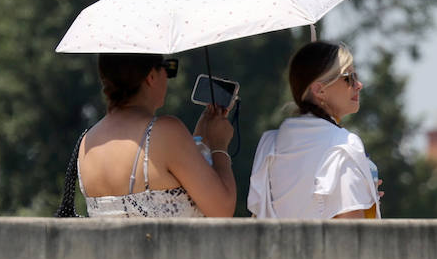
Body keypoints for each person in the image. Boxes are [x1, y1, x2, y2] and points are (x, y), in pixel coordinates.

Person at [77, 53, 236, 217]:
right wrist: (219, 146)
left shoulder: (87, 141)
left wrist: (201, 138)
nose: (168, 76)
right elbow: (222, 209)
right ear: (151, 76)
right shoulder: (167, 133)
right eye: (167, 68)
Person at [248, 41, 381, 219]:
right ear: (319, 90)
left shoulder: (270, 144)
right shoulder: (344, 144)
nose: (359, 84)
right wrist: (368, 202)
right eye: (349, 78)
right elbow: (352, 228)